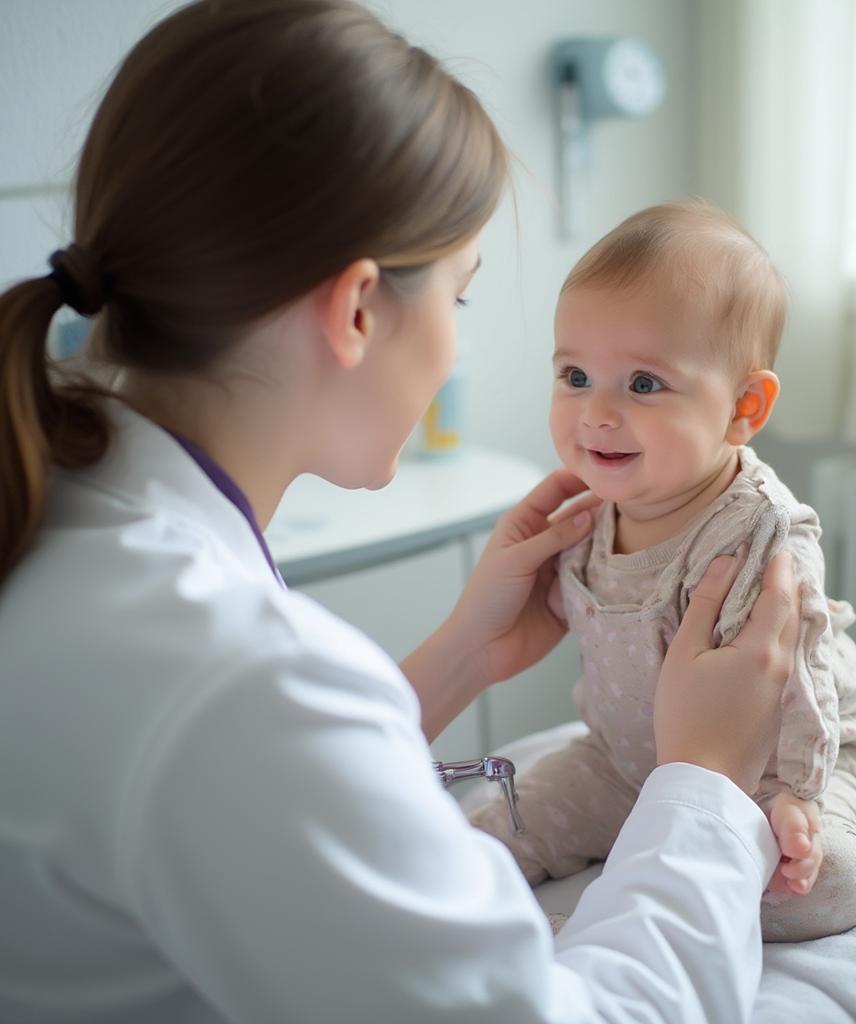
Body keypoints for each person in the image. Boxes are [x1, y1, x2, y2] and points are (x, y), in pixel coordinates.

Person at [0, 4, 799, 1022]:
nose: (456, 350)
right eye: (458, 299)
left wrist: (464, 650)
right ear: (361, 309)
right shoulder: (229, 677)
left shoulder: (71, 511)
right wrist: (704, 779)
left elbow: (260, 796)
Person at [471, 201, 856, 942]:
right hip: (622, 758)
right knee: (488, 836)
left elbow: (804, 671)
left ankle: (795, 828)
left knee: (821, 889)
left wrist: (797, 794)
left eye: (642, 385)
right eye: (574, 374)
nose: (595, 413)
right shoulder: (593, 507)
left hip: (759, 764)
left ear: (743, 408)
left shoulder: (758, 530)